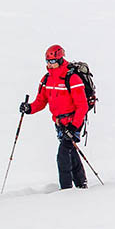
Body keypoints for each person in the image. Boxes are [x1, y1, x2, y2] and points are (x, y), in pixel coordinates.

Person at [19, 44, 88, 189]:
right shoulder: (47, 79)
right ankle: (82, 183)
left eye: (52, 61)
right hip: (59, 123)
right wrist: (29, 108)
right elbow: (41, 101)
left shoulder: (72, 78)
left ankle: (66, 189)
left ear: (61, 59)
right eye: (48, 61)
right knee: (71, 152)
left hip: (73, 121)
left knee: (63, 155)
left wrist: (74, 126)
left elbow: (82, 106)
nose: (50, 65)